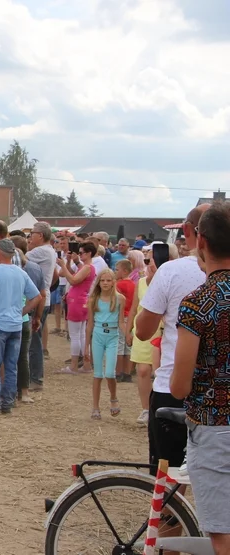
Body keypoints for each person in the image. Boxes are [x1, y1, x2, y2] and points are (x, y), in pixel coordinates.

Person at [170, 202, 230, 555]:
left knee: (222, 537)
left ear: (201, 241)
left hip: (214, 427)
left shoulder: (198, 302)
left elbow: (179, 386)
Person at [136, 204, 209, 472]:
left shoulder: (171, 271)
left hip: (174, 384)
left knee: (168, 472)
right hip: (218, 391)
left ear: (188, 231)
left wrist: (154, 284)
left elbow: (143, 331)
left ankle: (169, 514)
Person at [0, 239, 41, 414]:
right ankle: (8, 402)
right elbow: (36, 297)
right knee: (11, 365)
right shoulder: (21, 273)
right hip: (16, 325)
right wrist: (22, 312)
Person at [84, 269, 126, 419]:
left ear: (113, 282)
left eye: (108, 280)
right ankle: (95, 407)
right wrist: (86, 347)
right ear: (98, 282)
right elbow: (89, 324)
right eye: (102, 280)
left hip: (113, 335)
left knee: (110, 372)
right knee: (97, 374)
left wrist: (128, 334)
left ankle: (113, 398)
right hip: (97, 335)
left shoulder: (119, 299)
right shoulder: (93, 299)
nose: (105, 283)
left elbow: (121, 321)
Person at [125, 259, 160, 425]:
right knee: (143, 370)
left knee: (158, 373)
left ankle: (158, 409)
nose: (150, 265)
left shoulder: (166, 282)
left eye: (152, 261)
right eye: (147, 261)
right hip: (142, 330)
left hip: (161, 331)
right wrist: (128, 330)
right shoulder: (140, 282)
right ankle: (146, 409)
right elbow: (134, 308)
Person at [12, 236, 45, 404]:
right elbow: (41, 294)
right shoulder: (36, 268)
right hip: (26, 316)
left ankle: (11, 391)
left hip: (12, 317)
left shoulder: (12, 273)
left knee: (10, 356)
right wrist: (37, 316)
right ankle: (24, 391)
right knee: (24, 356)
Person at [56, 242, 98, 375]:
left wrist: (63, 265)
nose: (79, 255)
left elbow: (73, 280)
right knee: (81, 335)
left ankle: (74, 365)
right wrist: (69, 262)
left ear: (88, 253)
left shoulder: (87, 267)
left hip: (76, 301)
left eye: (81, 253)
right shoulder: (87, 267)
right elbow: (71, 273)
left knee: (75, 335)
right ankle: (86, 364)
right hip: (81, 300)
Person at [25, 222, 57, 390]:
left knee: (33, 342)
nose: (30, 236)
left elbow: (19, 258)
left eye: (33, 233)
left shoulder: (41, 251)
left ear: (41, 236)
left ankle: (36, 379)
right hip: (44, 298)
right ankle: (34, 377)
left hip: (38, 299)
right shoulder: (49, 250)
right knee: (33, 340)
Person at [114, 260, 135, 383]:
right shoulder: (133, 284)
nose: (115, 272)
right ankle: (127, 372)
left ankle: (118, 372)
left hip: (121, 316)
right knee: (128, 346)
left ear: (125, 271)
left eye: (117, 269)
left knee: (119, 345)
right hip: (130, 317)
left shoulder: (119, 284)